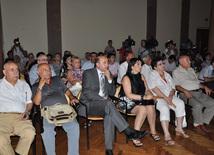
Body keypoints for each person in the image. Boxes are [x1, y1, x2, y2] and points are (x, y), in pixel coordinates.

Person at [79, 56, 148, 155]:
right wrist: (102, 100)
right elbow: (87, 92)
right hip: (89, 104)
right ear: (97, 65)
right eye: (104, 63)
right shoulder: (88, 73)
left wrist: (110, 79)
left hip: (106, 105)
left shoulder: (109, 74)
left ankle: (109, 149)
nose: (107, 65)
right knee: (108, 104)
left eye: (107, 62)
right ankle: (128, 131)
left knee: (109, 115)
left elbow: (112, 92)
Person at [32, 63, 79, 155]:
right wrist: (40, 86)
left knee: (74, 127)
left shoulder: (57, 79)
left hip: (64, 110)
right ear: (38, 72)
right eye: (44, 69)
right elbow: (37, 102)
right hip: (48, 112)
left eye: (49, 69)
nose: (48, 71)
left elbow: (67, 91)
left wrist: (72, 97)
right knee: (47, 131)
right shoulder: (35, 86)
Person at [119, 58, 160, 147]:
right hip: (126, 101)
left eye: (141, 64)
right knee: (142, 109)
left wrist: (151, 96)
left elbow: (147, 90)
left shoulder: (141, 76)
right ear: (132, 66)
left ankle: (153, 132)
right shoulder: (126, 78)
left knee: (150, 107)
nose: (140, 66)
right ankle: (135, 135)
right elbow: (129, 95)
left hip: (139, 99)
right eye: (138, 64)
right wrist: (144, 97)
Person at [148, 57, 188, 146]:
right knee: (165, 108)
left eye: (163, 63)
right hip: (158, 98)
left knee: (180, 104)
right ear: (155, 67)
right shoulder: (152, 74)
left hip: (169, 97)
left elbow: (173, 86)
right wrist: (165, 98)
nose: (163, 65)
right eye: (160, 64)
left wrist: (170, 96)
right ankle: (167, 135)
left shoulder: (167, 74)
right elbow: (154, 88)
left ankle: (179, 128)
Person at [172, 55, 214, 135]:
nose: (190, 62)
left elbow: (197, 83)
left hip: (198, 92)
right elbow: (176, 86)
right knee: (198, 105)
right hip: (185, 93)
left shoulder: (191, 70)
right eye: (187, 60)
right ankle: (197, 125)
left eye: (189, 60)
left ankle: (202, 123)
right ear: (181, 62)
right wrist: (185, 91)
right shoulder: (176, 71)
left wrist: (205, 87)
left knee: (212, 103)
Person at [0, 62, 35, 155]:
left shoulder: (24, 85)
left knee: (30, 133)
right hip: (2, 118)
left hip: (20, 117)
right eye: (12, 70)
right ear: (4, 72)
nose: (16, 72)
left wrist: (27, 111)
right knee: (0, 139)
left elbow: (29, 102)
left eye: (17, 70)